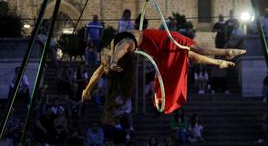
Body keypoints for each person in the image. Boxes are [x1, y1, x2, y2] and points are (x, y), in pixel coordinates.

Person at [82, 29, 246, 116]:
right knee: (190, 56)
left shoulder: (126, 42)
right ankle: (218, 62)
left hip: (167, 41)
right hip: (161, 52)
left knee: (196, 49)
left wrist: (115, 61)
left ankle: (226, 52)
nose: (103, 65)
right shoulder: (113, 46)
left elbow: (121, 50)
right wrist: (87, 89)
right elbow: (98, 73)